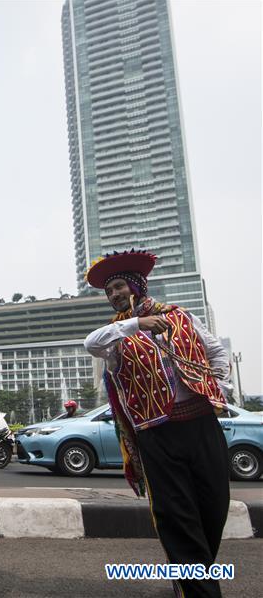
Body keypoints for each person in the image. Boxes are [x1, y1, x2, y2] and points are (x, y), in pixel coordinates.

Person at [84, 249, 231, 598]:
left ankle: (192, 574)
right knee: (177, 516)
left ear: (136, 285)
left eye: (119, 286)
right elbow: (90, 343)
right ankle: (200, 591)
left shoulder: (181, 316)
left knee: (214, 505)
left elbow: (216, 352)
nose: (115, 294)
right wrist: (137, 324)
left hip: (201, 424)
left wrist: (219, 386)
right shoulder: (115, 334)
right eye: (109, 291)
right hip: (156, 433)